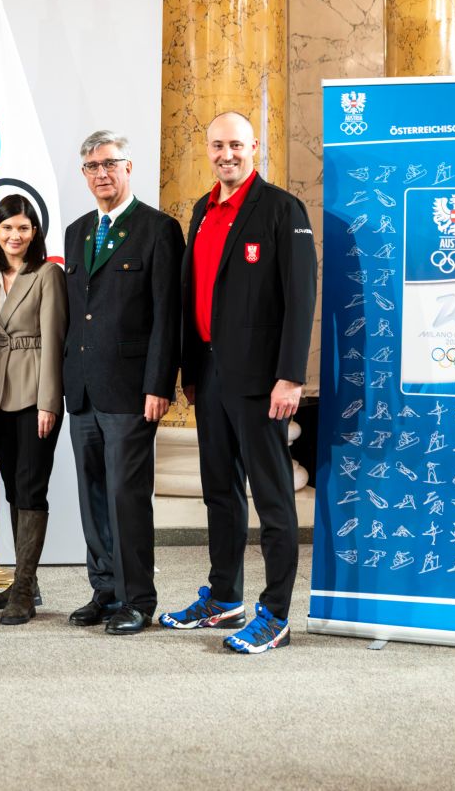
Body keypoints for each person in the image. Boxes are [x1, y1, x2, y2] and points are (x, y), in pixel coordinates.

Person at [159, 111, 316, 654]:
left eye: (236, 145)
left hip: (261, 382)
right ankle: (224, 597)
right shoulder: (202, 210)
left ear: (254, 148)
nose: (226, 154)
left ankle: (276, 615)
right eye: (217, 145)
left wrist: (290, 377)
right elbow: (194, 293)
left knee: (271, 499)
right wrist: (189, 369)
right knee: (220, 494)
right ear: (208, 150)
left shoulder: (281, 209)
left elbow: (300, 297)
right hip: (209, 376)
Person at [62, 130, 183, 636]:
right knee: (92, 496)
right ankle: (105, 590)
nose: (102, 173)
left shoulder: (158, 229)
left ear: (129, 167)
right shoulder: (76, 232)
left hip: (132, 390)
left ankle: (137, 598)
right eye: (92, 166)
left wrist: (159, 384)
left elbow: (168, 316)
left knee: (126, 497)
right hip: (83, 389)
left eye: (110, 163)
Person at [0, 194, 68, 626]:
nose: (15, 235)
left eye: (24, 228)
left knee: (31, 489)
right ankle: (23, 581)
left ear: (35, 233)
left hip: (34, 394)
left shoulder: (48, 274)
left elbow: (54, 339)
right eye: (8, 227)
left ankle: (25, 590)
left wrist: (50, 401)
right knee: (14, 487)